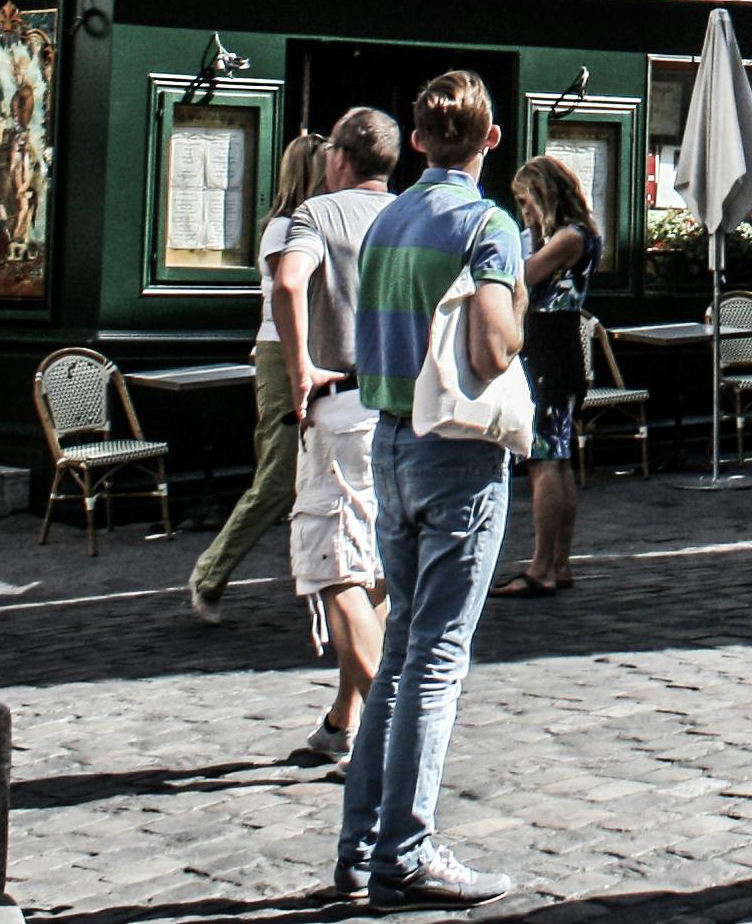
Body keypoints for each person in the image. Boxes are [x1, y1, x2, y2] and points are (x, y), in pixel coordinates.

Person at [333, 71, 530, 909]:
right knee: (438, 659)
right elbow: (491, 350)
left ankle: (363, 844)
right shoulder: (488, 223)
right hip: (457, 454)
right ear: (490, 140)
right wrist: (521, 298)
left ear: (417, 140)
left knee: (405, 653)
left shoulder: (388, 223)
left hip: (388, 443)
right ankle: (407, 848)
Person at [279, 108, 402, 769]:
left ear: (339, 160)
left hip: (343, 403)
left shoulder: (319, 215)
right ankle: (344, 718)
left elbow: (288, 281)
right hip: (406, 410)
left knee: (336, 568)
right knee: (374, 567)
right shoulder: (411, 215)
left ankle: (385, 723)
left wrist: (299, 365)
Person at [192, 131, 336, 621]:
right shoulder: (283, 228)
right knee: (279, 476)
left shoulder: (318, 222)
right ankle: (211, 572)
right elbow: (295, 288)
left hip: (320, 350)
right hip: (281, 353)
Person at [495, 152, 596, 597]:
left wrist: (531, 235)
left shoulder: (570, 237)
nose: (524, 212)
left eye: (525, 201)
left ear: (542, 194)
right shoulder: (574, 234)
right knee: (558, 457)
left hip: (549, 351)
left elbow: (524, 276)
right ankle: (560, 562)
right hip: (557, 347)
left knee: (544, 461)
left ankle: (540, 566)